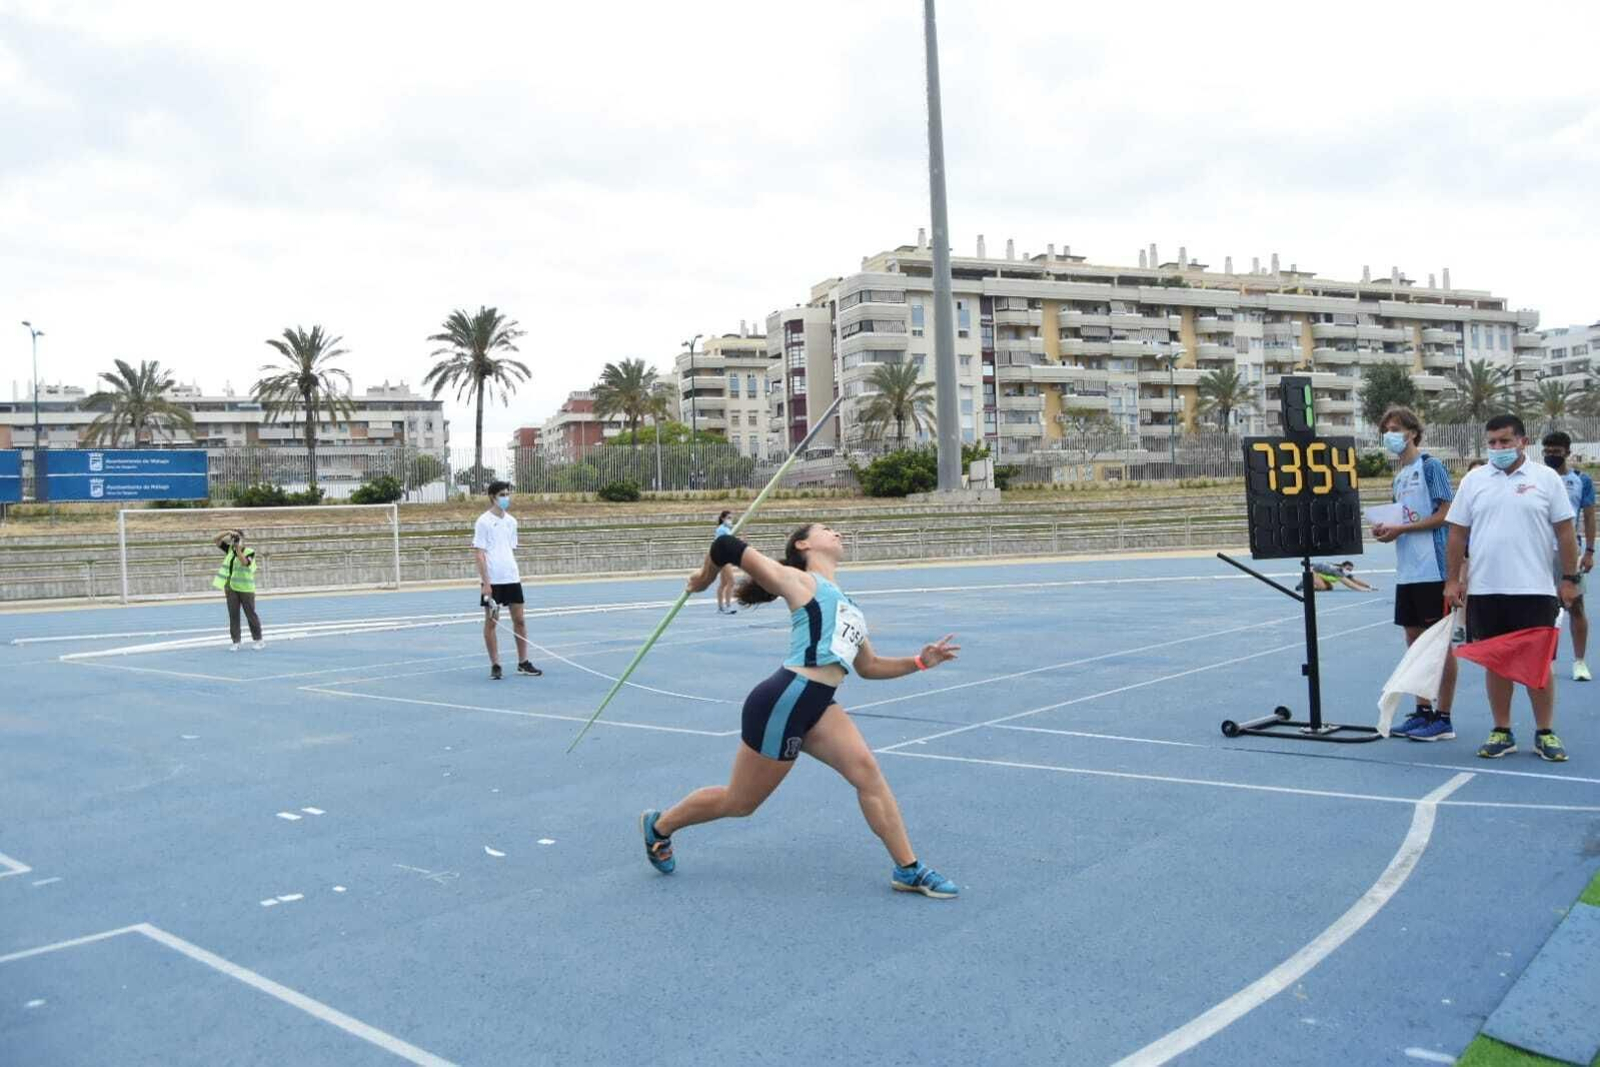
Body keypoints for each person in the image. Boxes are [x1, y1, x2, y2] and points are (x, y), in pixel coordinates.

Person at [639, 522, 962, 898]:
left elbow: (869, 668)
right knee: (740, 803)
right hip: (785, 700)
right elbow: (725, 545)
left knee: (868, 776)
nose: (838, 533)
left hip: (819, 704)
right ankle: (660, 826)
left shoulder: (849, 605)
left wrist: (919, 663)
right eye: (827, 529)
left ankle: (908, 869)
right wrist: (703, 578)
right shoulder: (798, 580)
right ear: (804, 544)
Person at [1444, 415, 1579, 761]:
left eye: (1505, 442)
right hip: (1487, 589)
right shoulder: (1474, 480)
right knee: (1496, 662)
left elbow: (1565, 531)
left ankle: (1544, 732)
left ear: (1523, 441)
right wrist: (1452, 580)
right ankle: (1502, 730)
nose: (1498, 449)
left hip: (1535, 588)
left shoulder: (1546, 479)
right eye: (1492, 443)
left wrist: (1569, 577)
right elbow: (1457, 533)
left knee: (1538, 664)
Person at [1371, 406, 1458, 741]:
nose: (1390, 435)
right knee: (1414, 641)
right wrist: (1387, 529)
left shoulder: (1430, 466)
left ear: (1412, 432)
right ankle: (1423, 711)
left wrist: (1403, 528)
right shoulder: (1399, 476)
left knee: (1439, 644)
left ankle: (1444, 717)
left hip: (1433, 566)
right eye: (1386, 429)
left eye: (1396, 428)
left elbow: (1447, 513)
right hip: (1408, 569)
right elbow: (1401, 518)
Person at [472, 481, 540, 681]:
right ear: (493, 497)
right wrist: (486, 583)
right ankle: (495, 664)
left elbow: (509, 548)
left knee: (519, 620)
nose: (506, 498)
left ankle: (523, 661)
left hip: (511, 577)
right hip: (493, 580)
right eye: (502, 494)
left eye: (507, 494)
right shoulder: (483, 521)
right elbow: (480, 554)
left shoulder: (511, 521)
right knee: (492, 622)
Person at [1541, 432, 1596, 680]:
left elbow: (1588, 516)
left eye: (1556, 451)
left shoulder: (1580, 480)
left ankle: (1580, 662)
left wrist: (1589, 551)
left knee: (1576, 606)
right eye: (1547, 451)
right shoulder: (1538, 479)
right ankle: (1545, 660)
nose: (1551, 455)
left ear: (1567, 452)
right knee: (1542, 608)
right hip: (1539, 551)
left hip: (1568, 552)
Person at [212, 529, 263, 651]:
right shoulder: (230, 550)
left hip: (246, 588)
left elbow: (245, 562)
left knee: (250, 614)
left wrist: (238, 549)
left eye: (238, 538)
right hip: (231, 587)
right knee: (233, 615)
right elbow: (215, 539)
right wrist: (227, 532)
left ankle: (258, 640)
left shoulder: (250, 552)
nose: (235, 540)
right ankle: (236, 641)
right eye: (235, 538)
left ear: (243, 540)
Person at [713, 509, 738, 615]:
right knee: (731, 581)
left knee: (723, 583)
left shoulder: (727, 529)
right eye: (728, 518)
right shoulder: (721, 530)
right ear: (722, 518)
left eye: (731, 518)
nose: (730, 520)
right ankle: (727, 605)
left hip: (726, 557)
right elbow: (725, 542)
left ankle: (720, 607)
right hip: (723, 557)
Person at [1303, 560, 1374, 592]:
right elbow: (1349, 584)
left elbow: (1354, 580)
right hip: (1312, 572)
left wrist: (1369, 586)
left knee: (1329, 588)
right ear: (1344, 566)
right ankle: (1305, 586)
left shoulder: (1342, 570)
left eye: (1350, 570)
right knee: (1323, 587)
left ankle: (1312, 583)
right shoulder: (1336, 570)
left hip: (1320, 572)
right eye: (1348, 569)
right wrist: (1361, 589)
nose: (1348, 571)